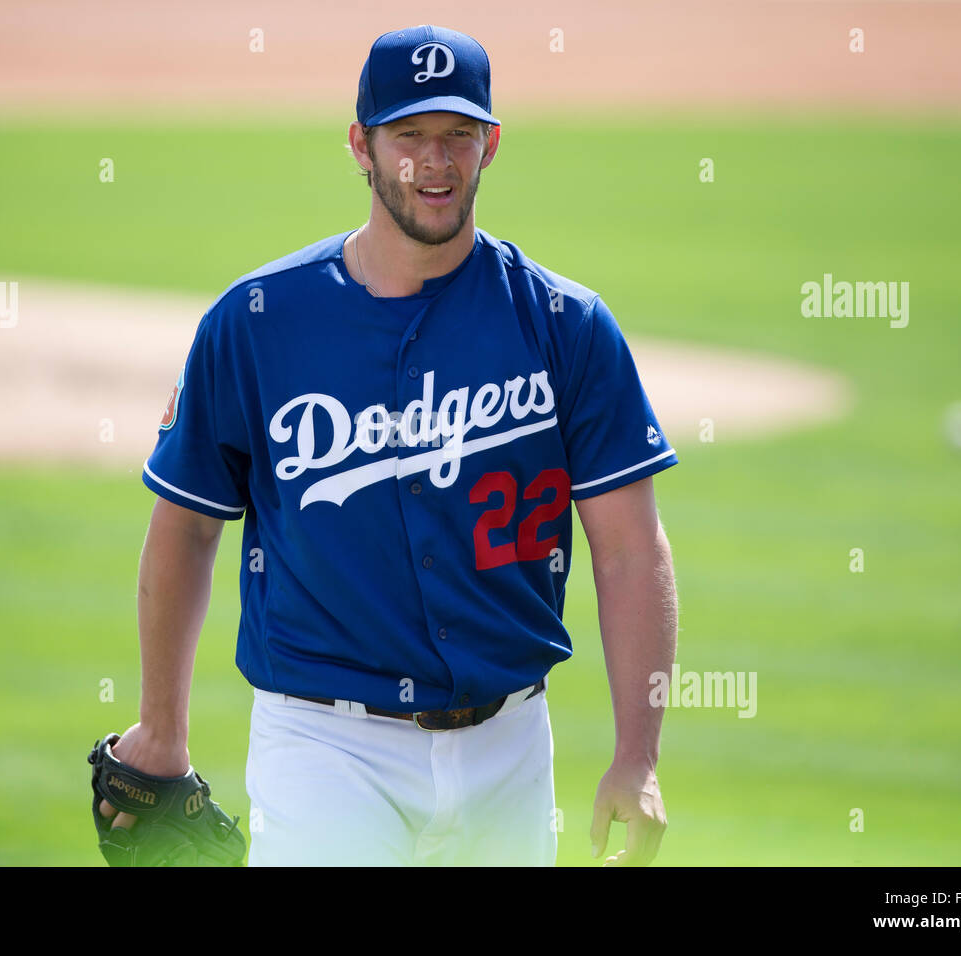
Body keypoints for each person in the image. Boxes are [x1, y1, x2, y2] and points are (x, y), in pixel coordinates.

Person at [102, 25, 679, 866]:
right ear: (360, 146)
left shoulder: (566, 326)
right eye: (408, 135)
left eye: (458, 136)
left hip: (512, 748)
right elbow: (187, 525)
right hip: (326, 750)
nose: (435, 162)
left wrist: (638, 756)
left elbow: (631, 550)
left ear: (492, 145)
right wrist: (162, 729)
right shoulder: (258, 322)